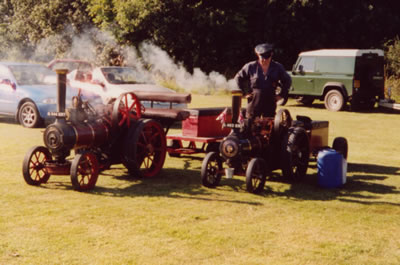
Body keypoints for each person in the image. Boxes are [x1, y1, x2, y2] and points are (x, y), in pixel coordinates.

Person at [234, 43, 292, 119]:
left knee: (269, 124)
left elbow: (287, 80)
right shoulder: (250, 66)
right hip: (254, 101)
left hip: (270, 100)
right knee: (251, 123)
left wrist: (281, 95)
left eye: (267, 58)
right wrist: (244, 93)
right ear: (258, 55)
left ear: (271, 55)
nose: (264, 60)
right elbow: (238, 78)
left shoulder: (278, 67)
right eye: (262, 58)